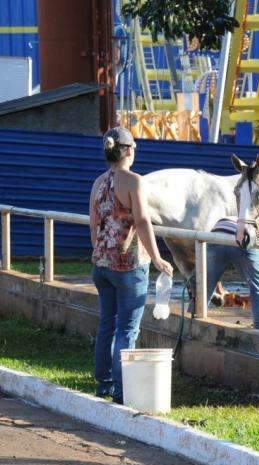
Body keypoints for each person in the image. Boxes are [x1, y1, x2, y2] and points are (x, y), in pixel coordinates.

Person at [89, 127, 173, 404]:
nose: (135, 151)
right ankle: (123, 391)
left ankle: (105, 385)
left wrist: (102, 253)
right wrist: (158, 258)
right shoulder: (134, 181)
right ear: (126, 150)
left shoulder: (98, 183)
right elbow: (142, 221)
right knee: (127, 329)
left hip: (101, 265)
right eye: (134, 146)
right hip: (129, 266)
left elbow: (94, 226)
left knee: (107, 325)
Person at [204, 216, 259, 331]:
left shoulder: (256, 229)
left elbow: (213, 272)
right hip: (245, 234)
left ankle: (191, 322)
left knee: (204, 284)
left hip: (219, 229)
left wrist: (220, 289)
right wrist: (250, 298)